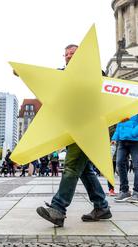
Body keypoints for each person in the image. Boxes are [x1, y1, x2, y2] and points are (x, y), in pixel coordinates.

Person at [36, 44, 111, 227]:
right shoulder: (60, 74)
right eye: (66, 54)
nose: (69, 56)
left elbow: (108, 96)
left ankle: (58, 209)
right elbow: (45, 82)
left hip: (88, 126)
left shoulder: (95, 73)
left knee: (70, 166)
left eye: (73, 54)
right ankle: (101, 206)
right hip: (71, 127)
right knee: (84, 170)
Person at [112, 110, 138, 203]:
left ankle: (136, 192)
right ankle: (124, 191)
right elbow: (119, 123)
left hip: (136, 140)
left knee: (136, 166)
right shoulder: (124, 105)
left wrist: (133, 133)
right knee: (119, 163)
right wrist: (114, 137)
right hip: (122, 140)